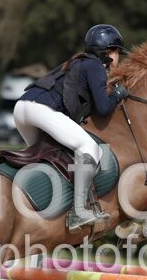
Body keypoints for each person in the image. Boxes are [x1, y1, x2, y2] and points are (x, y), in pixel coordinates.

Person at [14, 24, 131, 231]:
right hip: (41, 110)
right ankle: (78, 212)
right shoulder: (96, 66)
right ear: (109, 52)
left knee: (47, 156)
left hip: (21, 108)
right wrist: (118, 95)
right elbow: (104, 108)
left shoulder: (78, 61)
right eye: (117, 52)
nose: (118, 58)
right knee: (89, 148)